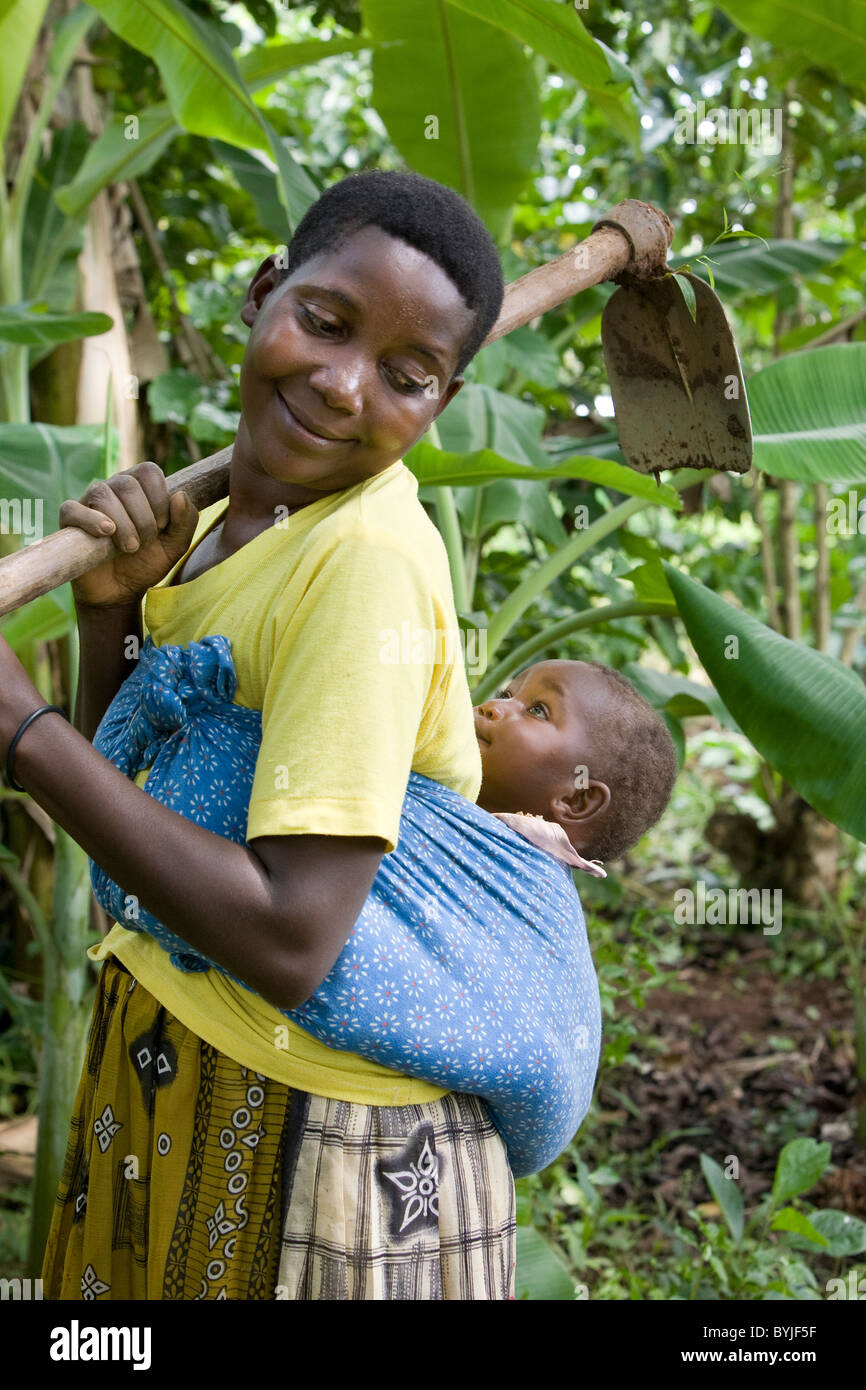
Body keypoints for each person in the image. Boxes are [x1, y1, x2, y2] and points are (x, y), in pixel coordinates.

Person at [0, 169, 516, 1300]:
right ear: (263, 291)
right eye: (324, 324)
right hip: (171, 1060)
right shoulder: (238, 527)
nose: (340, 387)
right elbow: (140, 798)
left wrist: (20, 729)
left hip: (305, 1137)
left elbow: (290, 939)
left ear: (441, 401)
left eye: (404, 375)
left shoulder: (362, 564)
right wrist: (112, 616)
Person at [85, 641, 677, 1180]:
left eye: (539, 711)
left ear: (575, 797)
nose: (497, 707)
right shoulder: (427, 795)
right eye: (509, 693)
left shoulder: (521, 879)